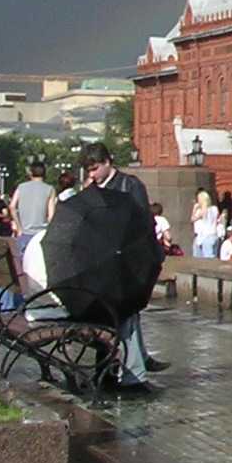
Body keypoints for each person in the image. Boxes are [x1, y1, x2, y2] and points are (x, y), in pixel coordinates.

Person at [79, 142, 167, 391]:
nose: (91, 175)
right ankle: (124, 369)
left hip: (128, 262)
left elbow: (141, 224)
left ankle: (130, 374)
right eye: (88, 171)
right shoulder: (95, 189)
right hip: (107, 264)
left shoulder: (130, 185)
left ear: (108, 162)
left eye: (95, 169)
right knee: (118, 315)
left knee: (123, 312)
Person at [10, 160, 55, 262]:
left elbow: (12, 206)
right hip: (41, 234)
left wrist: (19, 227)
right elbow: (51, 215)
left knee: (22, 266)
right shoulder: (50, 189)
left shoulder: (21, 187)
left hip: (24, 232)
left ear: (30, 172)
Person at [190, 190, 221, 259]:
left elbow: (194, 219)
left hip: (206, 236)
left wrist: (195, 208)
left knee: (207, 259)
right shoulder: (214, 209)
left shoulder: (204, 210)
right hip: (209, 235)